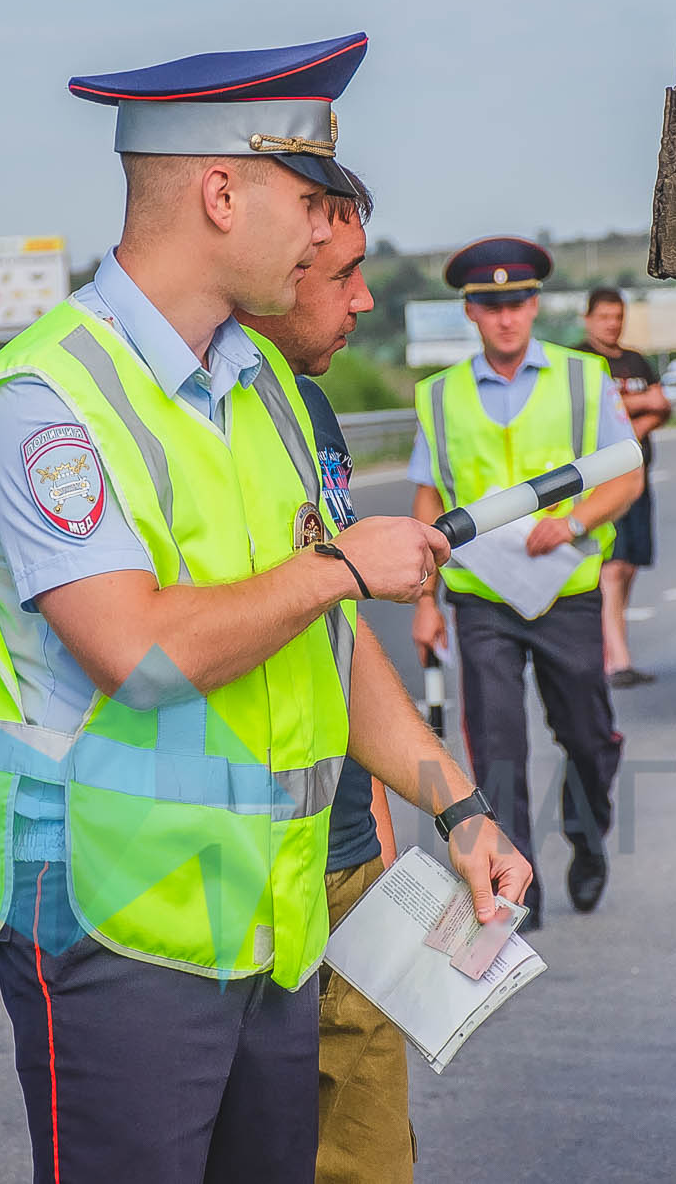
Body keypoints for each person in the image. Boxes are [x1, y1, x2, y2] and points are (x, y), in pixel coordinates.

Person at [0, 34, 530, 1184]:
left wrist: (457, 804)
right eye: (309, 200)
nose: (327, 233)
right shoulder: (45, 402)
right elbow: (138, 650)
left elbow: (327, 640)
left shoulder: (258, 392)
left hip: (272, 920)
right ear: (220, 192)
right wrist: (341, 566)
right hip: (115, 928)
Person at [235, 174, 416, 1184]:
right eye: (342, 275)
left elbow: (332, 631)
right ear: (271, 269)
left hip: (338, 856)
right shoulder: (144, 416)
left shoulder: (305, 408)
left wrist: (383, 821)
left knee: (366, 1157)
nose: (362, 301)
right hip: (222, 879)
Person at [407, 238, 644, 924]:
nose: (506, 317)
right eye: (490, 306)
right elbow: (428, 498)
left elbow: (625, 474)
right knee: (498, 747)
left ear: (535, 304)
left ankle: (587, 832)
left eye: (516, 303)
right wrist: (426, 603)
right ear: (470, 313)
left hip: (565, 591)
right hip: (483, 601)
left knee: (590, 738)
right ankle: (520, 895)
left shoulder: (582, 379)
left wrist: (572, 524)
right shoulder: (441, 396)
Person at [574, 287, 671, 687]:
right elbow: (592, 410)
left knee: (629, 566)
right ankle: (616, 659)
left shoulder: (636, 360)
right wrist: (635, 406)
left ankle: (612, 648)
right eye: (604, 317)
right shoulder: (579, 360)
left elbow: (663, 406)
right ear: (588, 319)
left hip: (637, 478)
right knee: (610, 569)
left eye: (618, 316)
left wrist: (628, 432)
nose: (612, 324)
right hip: (601, 481)